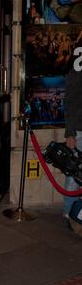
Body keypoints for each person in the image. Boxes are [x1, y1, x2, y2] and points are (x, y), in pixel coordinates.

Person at [63, 68, 82, 219]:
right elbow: (69, 101)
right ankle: (69, 211)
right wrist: (70, 132)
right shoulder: (77, 70)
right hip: (78, 130)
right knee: (74, 171)